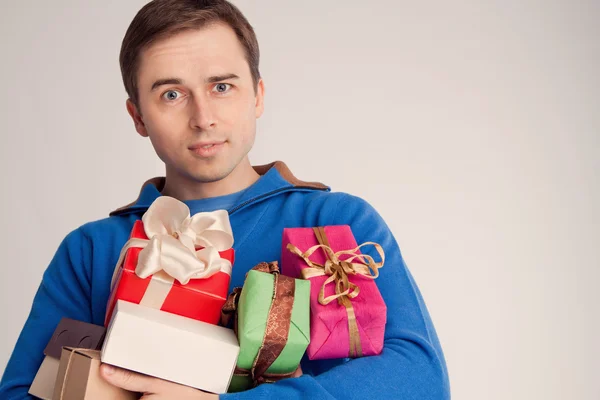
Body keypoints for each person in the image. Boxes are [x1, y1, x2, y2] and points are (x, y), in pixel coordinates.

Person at [0, 0, 450, 398]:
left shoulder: (336, 221)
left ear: (257, 94)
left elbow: (421, 381)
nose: (203, 118)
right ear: (137, 116)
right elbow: (23, 393)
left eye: (221, 86)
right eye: (171, 94)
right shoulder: (92, 251)